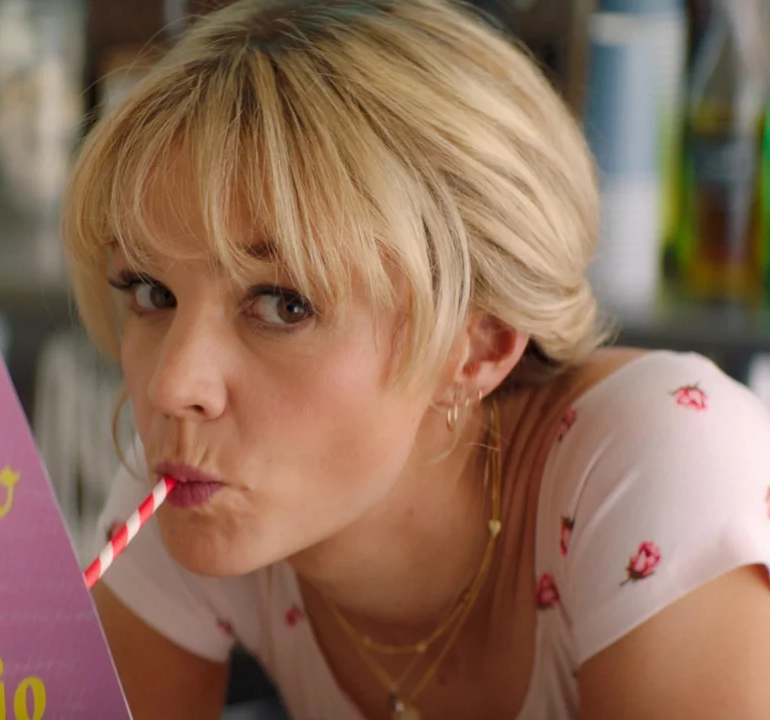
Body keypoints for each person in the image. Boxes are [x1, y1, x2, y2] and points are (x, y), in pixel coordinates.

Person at [59, 1, 770, 718]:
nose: (172, 385)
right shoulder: (198, 484)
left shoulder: (659, 465)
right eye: (150, 292)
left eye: (283, 305)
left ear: (479, 344)